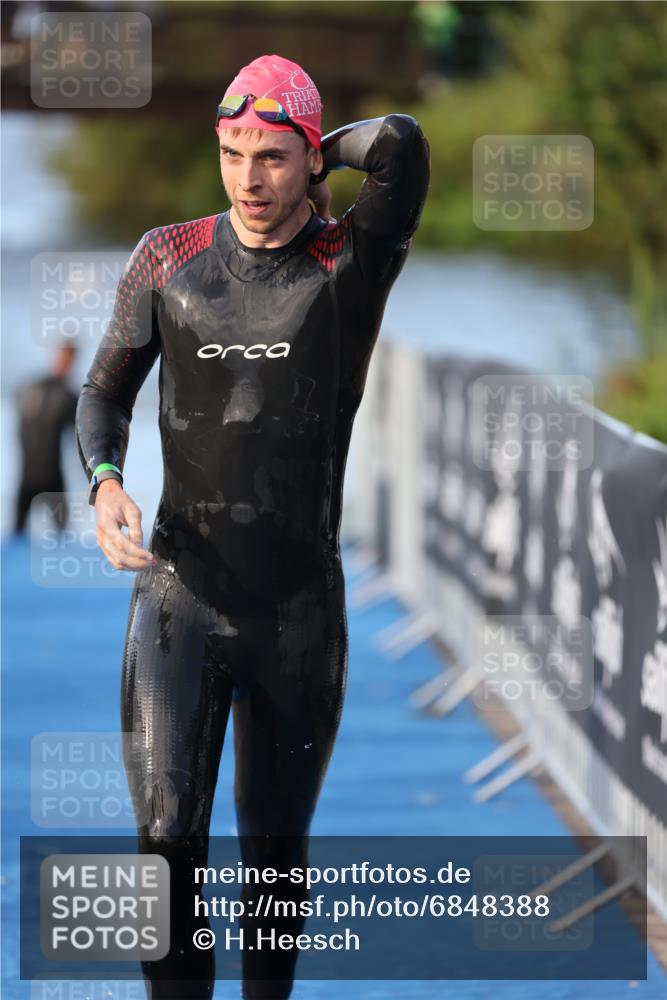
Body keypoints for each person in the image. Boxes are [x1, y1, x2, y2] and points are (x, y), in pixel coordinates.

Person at [75, 53, 430, 1000]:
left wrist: (321, 141)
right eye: (233, 152)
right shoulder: (167, 255)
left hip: (298, 614)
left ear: (311, 161)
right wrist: (107, 481)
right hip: (178, 597)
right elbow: (105, 391)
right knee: (164, 838)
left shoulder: (349, 264)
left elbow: (400, 145)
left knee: (273, 860)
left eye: (274, 157)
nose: (248, 178)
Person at [15, 341, 79, 534]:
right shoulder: (33, 388)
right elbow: (22, 428)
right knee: (17, 533)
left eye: (69, 358)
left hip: (53, 476)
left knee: (62, 533)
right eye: (62, 356)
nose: (64, 362)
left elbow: (82, 438)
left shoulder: (70, 396)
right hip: (28, 474)